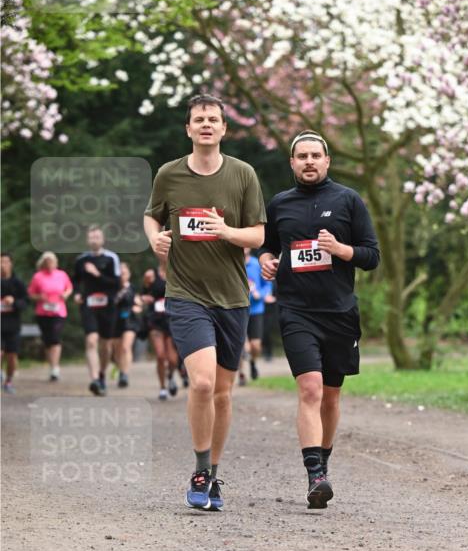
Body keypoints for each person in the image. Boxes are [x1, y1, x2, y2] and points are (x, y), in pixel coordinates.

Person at [143, 93, 266, 510]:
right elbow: (151, 214)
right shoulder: (169, 174)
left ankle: (213, 475)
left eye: (214, 119)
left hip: (232, 297)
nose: (207, 125)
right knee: (201, 382)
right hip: (186, 293)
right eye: (199, 119)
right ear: (189, 128)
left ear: (224, 128)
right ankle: (198, 470)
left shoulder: (243, 174)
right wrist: (154, 239)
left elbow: (258, 236)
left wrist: (225, 231)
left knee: (223, 395)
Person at [259, 130, 379, 509]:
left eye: (316, 155)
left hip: (340, 312)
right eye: (301, 156)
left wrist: (340, 249)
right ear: (292, 163)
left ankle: (323, 465)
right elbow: (268, 244)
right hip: (296, 310)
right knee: (309, 388)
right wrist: (265, 258)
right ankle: (315, 476)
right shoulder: (279, 204)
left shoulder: (348, 200)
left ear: (327, 161)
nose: (309, 161)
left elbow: (371, 256)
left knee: (330, 394)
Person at [73, 225, 121, 396]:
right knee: (91, 340)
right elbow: (76, 282)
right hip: (89, 305)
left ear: (102, 239)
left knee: (106, 345)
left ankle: (101, 375)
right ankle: (94, 379)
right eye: (91, 237)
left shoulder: (111, 258)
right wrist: (77, 294)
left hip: (108, 305)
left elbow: (116, 284)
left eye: (97, 237)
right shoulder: (80, 260)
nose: (94, 239)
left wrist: (97, 274)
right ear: (87, 240)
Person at [27, 251, 73, 381]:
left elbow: (69, 287)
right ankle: (52, 366)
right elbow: (30, 293)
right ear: (43, 263)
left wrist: (65, 295)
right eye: (47, 261)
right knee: (47, 340)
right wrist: (39, 297)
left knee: (55, 337)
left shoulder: (61, 275)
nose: (50, 264)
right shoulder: (38, 277)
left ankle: (56, 368)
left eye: (52, 261)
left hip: (59, 311)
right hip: (43, 311)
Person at [141, 262, 180, 400]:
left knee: (173, 359)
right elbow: (143, 295)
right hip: (155, 319)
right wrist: (143, 298)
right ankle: (162, 387)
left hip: (173, 319)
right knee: (160, 355)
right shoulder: (150, 274)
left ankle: (170, 377)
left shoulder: (179, 270)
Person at [238, 247, 272, 385]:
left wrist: (261, 295)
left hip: (256, 310)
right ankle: (241, 374)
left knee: (255, 346)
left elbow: (267, 284)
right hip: (238, 309)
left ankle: (252, 363)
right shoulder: (232, 262)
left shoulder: (256, 264)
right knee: (241, 344)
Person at [1, 252, 28, 393]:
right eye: (0, 262)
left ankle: (8, 381)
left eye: (5, 261)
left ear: (10, 263)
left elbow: (25, 302)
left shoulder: (18, 283)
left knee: (12, 356)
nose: (2, 265)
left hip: (13, 325)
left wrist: (14, 302)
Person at [112, 262, 142, 388]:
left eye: (124, 272)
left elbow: (139, 302)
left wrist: (138, 306)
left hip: (130, 320)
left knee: (126, 347)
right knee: (117, 350)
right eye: (120, 273)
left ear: (128, 274)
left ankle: (125, 374)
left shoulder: (132, 288)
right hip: (115, 320)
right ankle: (119, 369)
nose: (122, 275)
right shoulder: (113, 287)